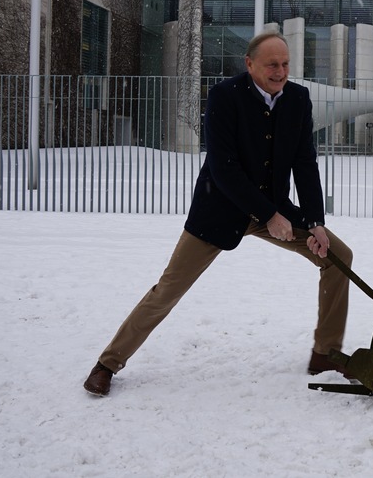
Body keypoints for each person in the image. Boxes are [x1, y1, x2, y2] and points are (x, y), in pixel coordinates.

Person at [83, 31, 353, 396]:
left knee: (339, 257)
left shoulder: (299, 99)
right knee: (167, 290)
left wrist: (316, 222)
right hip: (220, 209)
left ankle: (325, 353)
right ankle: (107, 364)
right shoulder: (225, 96)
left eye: (286, 64)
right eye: (272, 64)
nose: (280, 71)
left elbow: (305, 163)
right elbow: (224, 168)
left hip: (275, 209)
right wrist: (268, 215)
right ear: (250, 64)